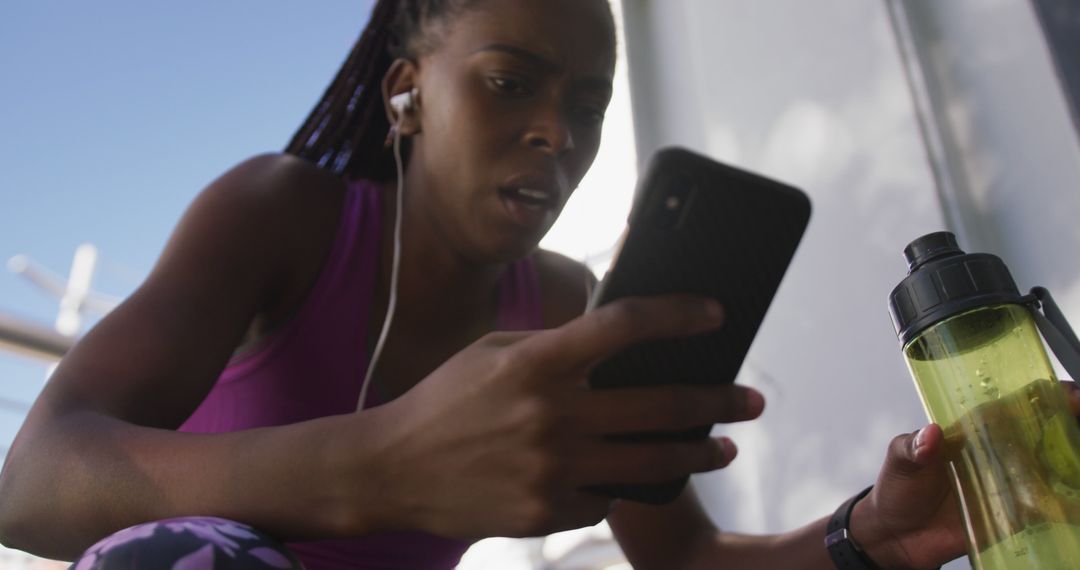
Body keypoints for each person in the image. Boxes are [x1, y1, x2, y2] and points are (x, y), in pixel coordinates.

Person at [0, 0, 1073, 568]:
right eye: (510, 81)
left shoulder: (564, 308)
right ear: (409, 93)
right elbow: (35, 481)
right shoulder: (284, 213)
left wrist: (870, 541)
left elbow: (686, 561)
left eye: (592, 103)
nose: (560, 133)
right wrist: (374, 468)